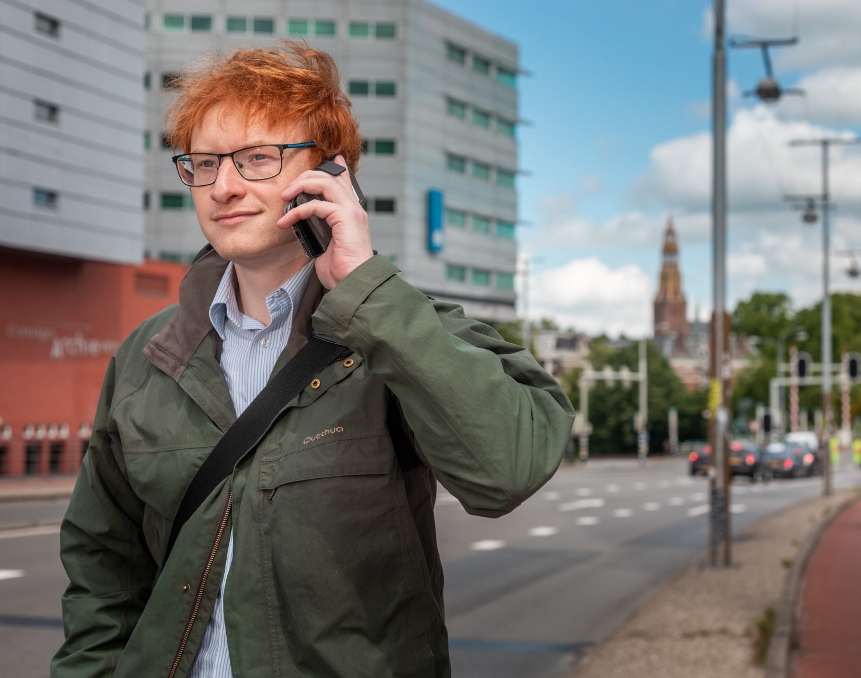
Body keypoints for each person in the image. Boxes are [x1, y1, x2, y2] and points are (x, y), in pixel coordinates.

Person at [52, 43, 575, 678]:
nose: (224, 186)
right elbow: (102, 567)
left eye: (256, 159)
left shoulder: (402, 331)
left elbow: (510, 468)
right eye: (206, 162)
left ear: (333, 175)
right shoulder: (149, 354)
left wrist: (365, 290)